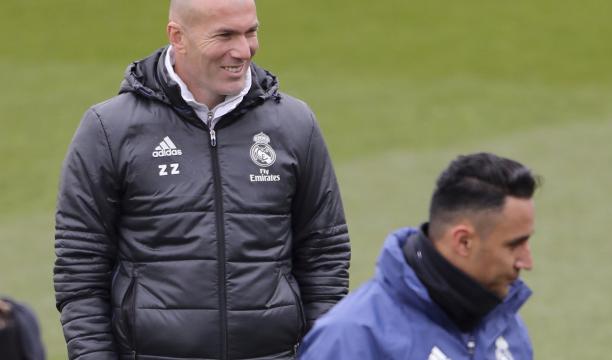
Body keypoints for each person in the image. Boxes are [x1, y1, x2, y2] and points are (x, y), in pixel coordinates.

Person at [53, 0, 350, 359]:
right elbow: (80, 267)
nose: (243, 50)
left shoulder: (294, 124)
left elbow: (324, 255)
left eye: (251, 31)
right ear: (178, 36)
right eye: (224, 34)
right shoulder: (109, 129)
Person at [299, 152, 539, 360]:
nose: (527, 262)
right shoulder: (351, 339)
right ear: (463, 242)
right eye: (514, 245)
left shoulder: (503, 322)